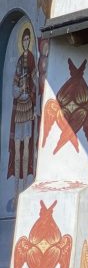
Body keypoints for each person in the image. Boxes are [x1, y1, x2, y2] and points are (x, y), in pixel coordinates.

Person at [8, 28, 36, 183]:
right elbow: (14, 90)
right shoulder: (19, 63)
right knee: (17, 146)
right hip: (19, 108)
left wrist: (30, 91)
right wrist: (20, 88)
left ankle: (25, 182)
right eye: (24, 39)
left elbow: (35, 83)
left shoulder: (31, 59)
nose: (26, 42)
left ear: (30, 41)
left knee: (27, 146)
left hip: (28, 107)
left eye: (28, 39)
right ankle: (17, 185)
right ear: (21, 41)